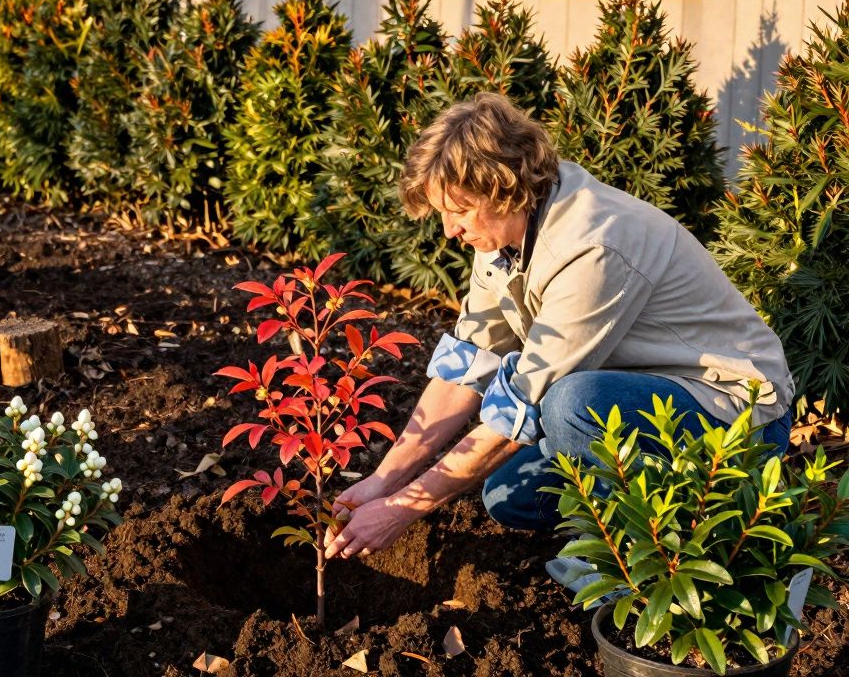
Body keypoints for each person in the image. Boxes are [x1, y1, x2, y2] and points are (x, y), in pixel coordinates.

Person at [322, 92, 794, 561]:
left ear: (502, 187)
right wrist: (383, 481)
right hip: (644, 393)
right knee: (509, 496)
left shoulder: (592, 246)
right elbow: (467, 364)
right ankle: (625, 515)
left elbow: (522, 408)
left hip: (735, 417)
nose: (449, 230)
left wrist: (402, 510)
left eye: (459, 210)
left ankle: (641, 557)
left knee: (570, 405)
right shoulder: (502, 236)